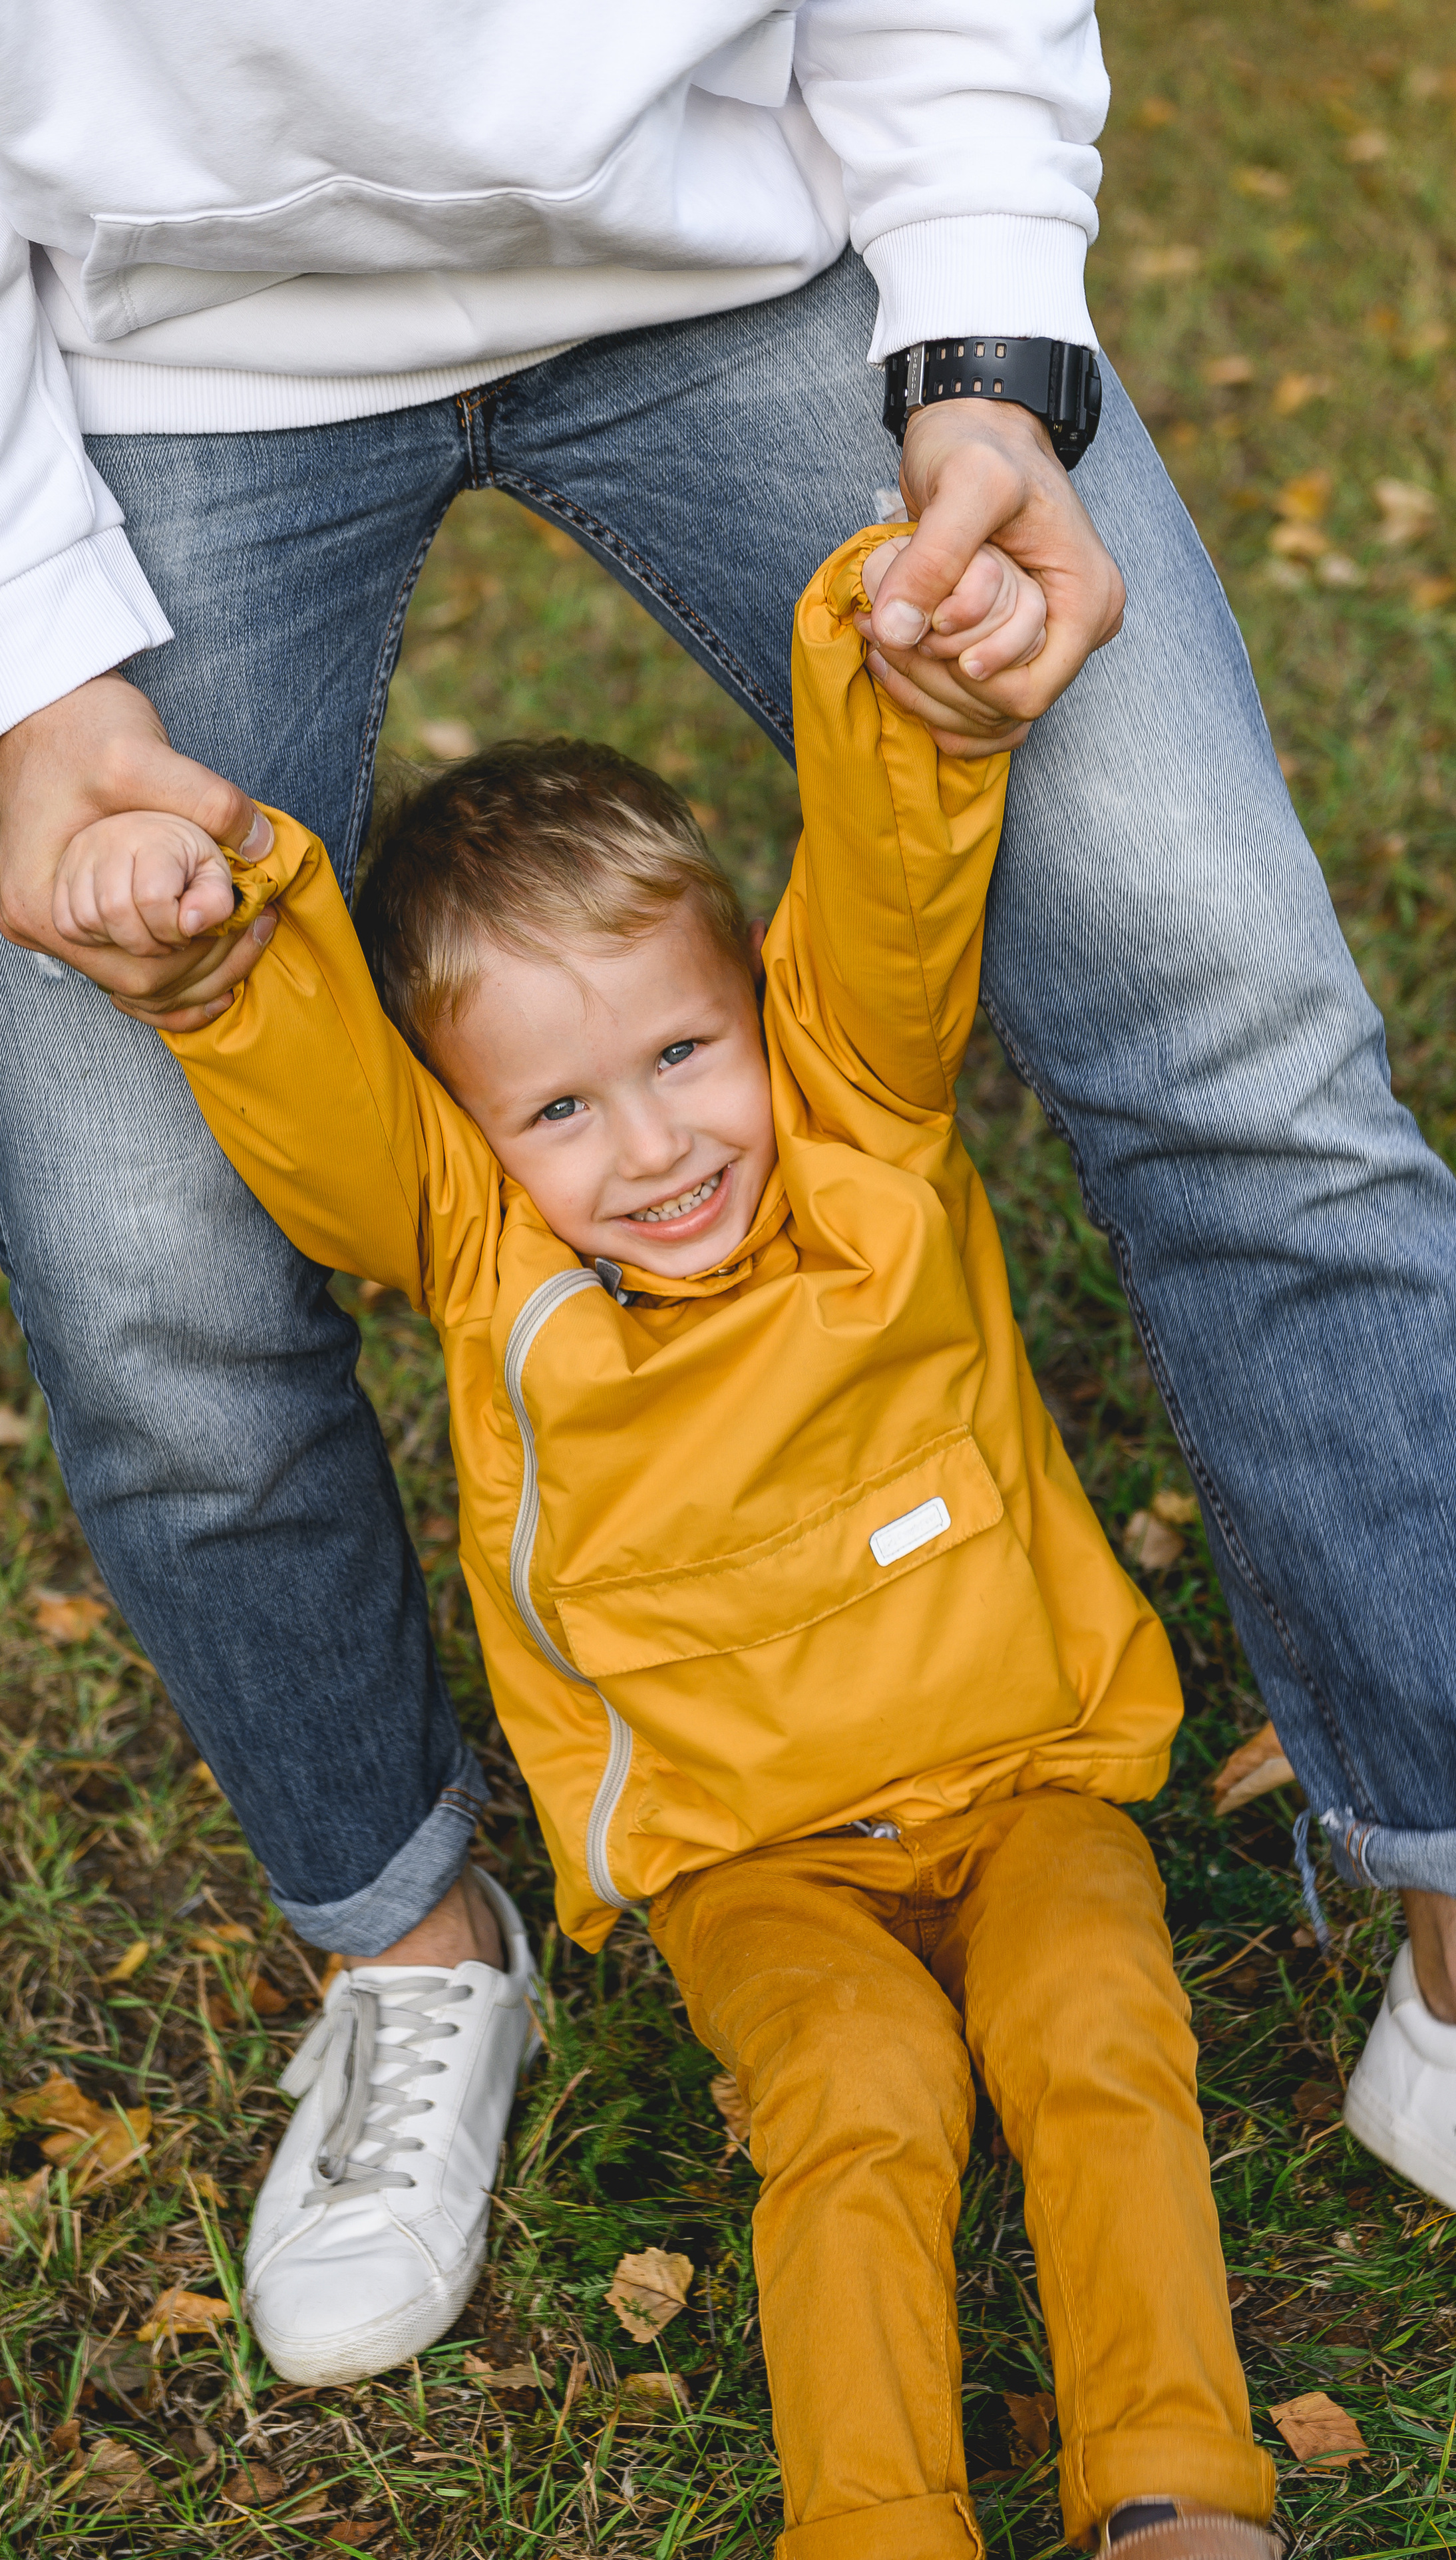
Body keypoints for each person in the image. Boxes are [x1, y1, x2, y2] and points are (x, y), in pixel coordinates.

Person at [0, 0, 1456, 2394]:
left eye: (687, 1073)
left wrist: (982, 352)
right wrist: (37, 673)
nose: (666, 1139)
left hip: (742, 236)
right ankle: (405, 1956)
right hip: (145, 350)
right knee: (140, 1256)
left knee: (1237, 1024)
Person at [136, 526, 1276, 2560]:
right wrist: (234, 966)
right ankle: (874, 2522)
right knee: (862, 2091)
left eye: (680, 1053)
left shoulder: (861, 1132)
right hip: (756, 1866)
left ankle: (1175, 2486)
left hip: (1025, 1785)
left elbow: (900, 886)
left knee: (1096, 2029)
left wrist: (897, 696)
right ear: (473, 1146)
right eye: (558, 1110)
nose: (654, 1148)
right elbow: (325, 1118)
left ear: (756, 1004)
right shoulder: (483, 1267)